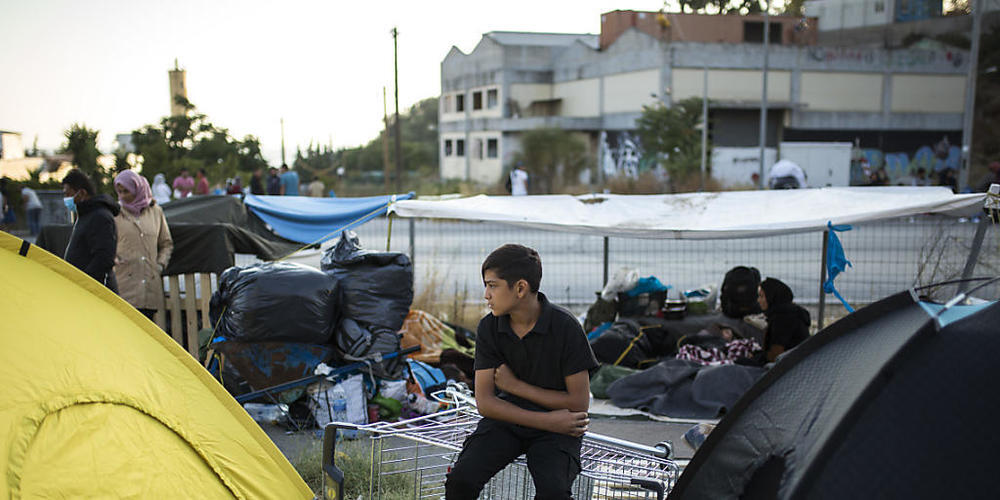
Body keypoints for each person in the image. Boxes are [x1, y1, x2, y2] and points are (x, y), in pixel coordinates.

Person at [444, 244, 598, 499]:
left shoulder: (566, 327)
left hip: (559, 431)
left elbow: (578, 403)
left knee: (554, 492)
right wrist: (548, 419)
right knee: (460, 481)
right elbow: (486, 403)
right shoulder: (489, 328)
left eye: (492, 285)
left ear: (520, 288)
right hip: (514, 421)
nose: (486, 295)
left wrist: (516, 387)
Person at [113, 170, 173, 320]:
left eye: (126, 191)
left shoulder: (156, 212)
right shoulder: (115, 214)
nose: (122, 196)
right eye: (119, 192)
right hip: (124, 287)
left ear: (137, 189)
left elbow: (166, 243)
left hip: (149, 287)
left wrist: (160, 264)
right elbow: (105, 243)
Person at [62, 168, 119, 291]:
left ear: (82, 193)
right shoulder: (84, 216)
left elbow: (104, 258)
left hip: (95, 291)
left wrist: (85, 281)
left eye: (68, 194)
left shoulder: (100, 217)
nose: (66, 199)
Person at [757, 277, 810, 363]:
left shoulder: (783, 318)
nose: (758, 300)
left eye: (762, 296)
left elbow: (776, 355)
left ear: (771, 297)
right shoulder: (787, 312)